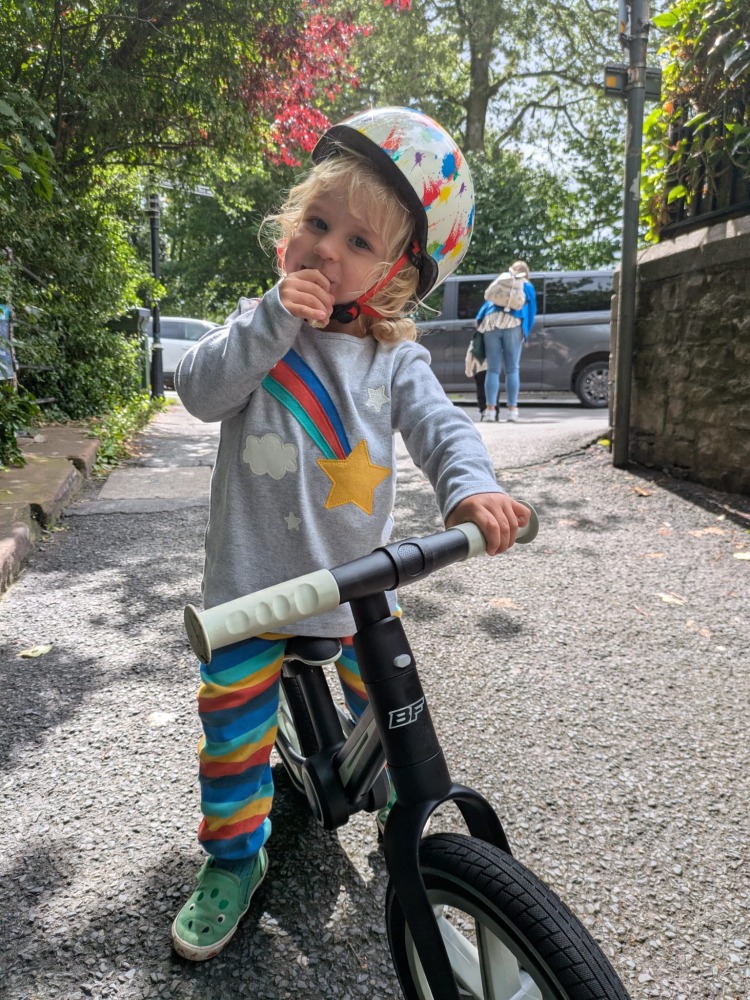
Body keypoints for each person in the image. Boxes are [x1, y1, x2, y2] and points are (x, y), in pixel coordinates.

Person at [172, 106, 531, 962]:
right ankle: (231, 861)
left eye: (358, 242)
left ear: (395, 281)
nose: (328, 248)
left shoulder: (393, 359)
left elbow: (444, 427)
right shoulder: (256, 336)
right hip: (252, 595)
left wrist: (472, 489)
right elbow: (199, 390)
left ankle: (399, 807)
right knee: (232, 739)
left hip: (351, 588)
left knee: (394, 705)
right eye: (316, 223)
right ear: (286, 234)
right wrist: (268, 321)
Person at [475, 261, 537, 422]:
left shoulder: (503, 281)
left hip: (491, 323)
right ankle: (512, 411)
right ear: (526, 273)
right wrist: (526, 332)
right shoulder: (527, 285)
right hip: (514, 324)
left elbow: (487, 304)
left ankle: (489, 411)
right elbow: (531, 311)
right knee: (512, 369)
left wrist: (479, 321)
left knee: (493, 370)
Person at [464, 338, 488, 419]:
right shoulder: (494, 337)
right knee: (494, 390)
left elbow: (469, 357)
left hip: (481, 369)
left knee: (481, 390)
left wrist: (469, 371)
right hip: (493, 369)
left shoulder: (476, 339)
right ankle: (495, 410)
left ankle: (484, 410)